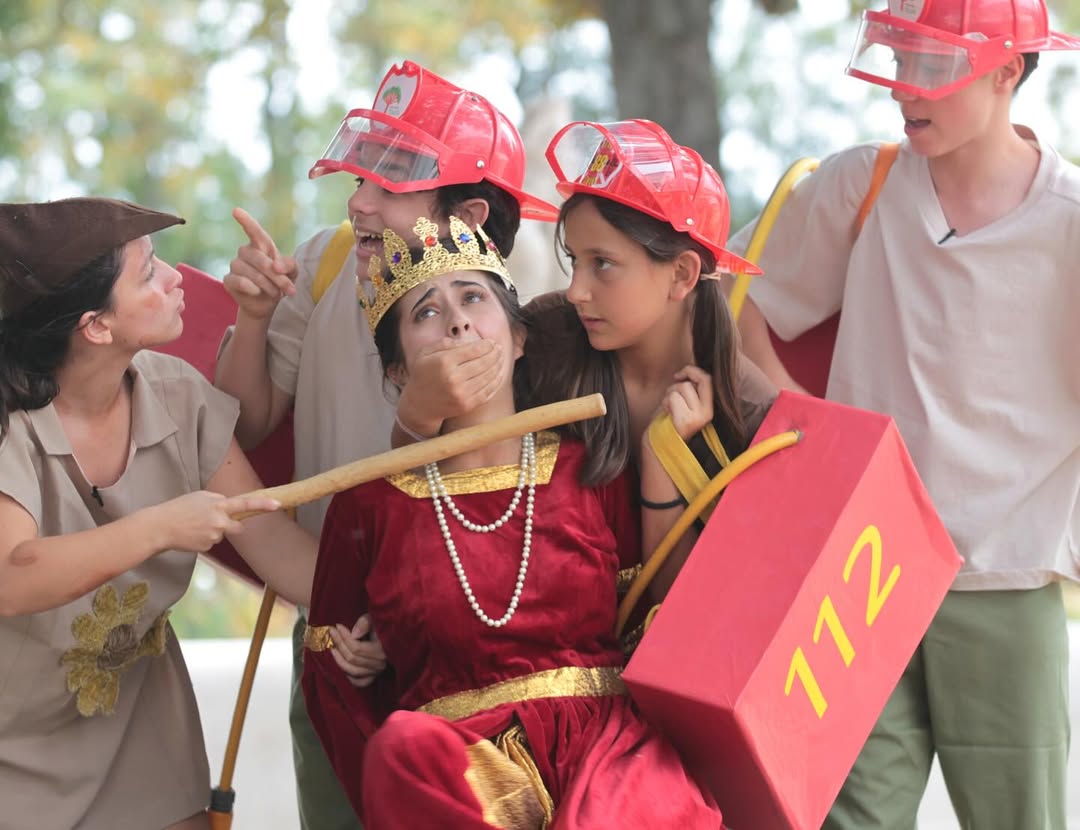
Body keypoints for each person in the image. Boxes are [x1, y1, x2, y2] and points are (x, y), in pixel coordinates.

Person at [729, 1, 1080, 826]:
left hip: (1004, 576)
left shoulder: (1069, 226)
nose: (902, 90)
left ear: (1007, 72)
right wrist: (804, 424)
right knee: (851, 819)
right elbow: (738, 299)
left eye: (933, 67)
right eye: (900, 60)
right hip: (859, 576)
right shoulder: (864, 183)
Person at [213, 60, 560, 829]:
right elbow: (247, 424)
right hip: (333, 632)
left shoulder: (523, 323)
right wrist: (255, 316)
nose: (359, 202)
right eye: (363, 177)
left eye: (392, 186)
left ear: (468, 214)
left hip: (471, 643)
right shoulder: (327, 261)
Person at [302, 212, 723, 828]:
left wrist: (661, 466)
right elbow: (334, 688)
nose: (457, 319)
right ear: (397, 372)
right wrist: (362, 664)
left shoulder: (588, 464)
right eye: (425, 312)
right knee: (401, 749)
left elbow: (655, 627)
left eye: (473, 296)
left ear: (519, 339)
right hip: (455, 769)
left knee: (638, 794)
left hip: (604, 751)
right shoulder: (368, 504)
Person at [0, 197, 318, 830]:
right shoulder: (13, 423)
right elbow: (12, 576)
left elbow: (273, 542)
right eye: (147, 274)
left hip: (136, 722)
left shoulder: (177, 394)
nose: (177, 278)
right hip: (12, 737)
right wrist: (164, 525)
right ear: (95, 325)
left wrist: (380, 611)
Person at [397, 119, 777, 600]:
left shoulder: (754, 419)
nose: (576, 290)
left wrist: (664, 462)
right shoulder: (549, 336)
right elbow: (426, 480)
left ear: (682, 274)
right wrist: (418, 412)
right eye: (574, 260)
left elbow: (683, 616)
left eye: (602, 264)